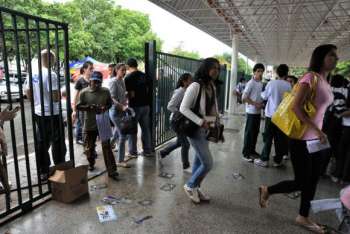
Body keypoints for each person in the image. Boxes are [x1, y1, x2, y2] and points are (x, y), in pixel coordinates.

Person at [258, 44, 337, 234]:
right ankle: (267, 190)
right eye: (331, 55)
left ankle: (303, 216)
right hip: (302, 137)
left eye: (336, 55)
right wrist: (316, 129)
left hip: (317, 139)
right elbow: (296, 107)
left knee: (313, 180)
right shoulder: (310, 78)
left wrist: (320, 132)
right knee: (302, 181)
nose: (336, 58)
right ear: (320, 57)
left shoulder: (326, 81)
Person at [180, 58, 220, 204]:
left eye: (218, 68)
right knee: (208, 163)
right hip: (194, 128)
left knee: (199, 160)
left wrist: (216, 122)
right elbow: (183, 108)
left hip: (207, 127)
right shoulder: (195, 85)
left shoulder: (211, 85)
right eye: (213, 67)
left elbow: (213, 107)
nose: (216, 70)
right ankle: (190, 185)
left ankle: (196, 187)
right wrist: (200, 121)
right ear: (205, 68)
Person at [25, 49, 67, 181]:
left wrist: (38, 102)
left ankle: (43, 170)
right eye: (54, 59)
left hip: (39, 112)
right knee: (58, 141)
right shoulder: (51, 74)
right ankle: (60, 166)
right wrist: (60, 95)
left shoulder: (32, 73)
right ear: (50, 59)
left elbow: (28, 93)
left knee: (41, 141)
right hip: (52, 112)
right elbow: (55, 97)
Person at [76, 71, 118, 180]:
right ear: (90, 81)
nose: (96, 84)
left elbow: (110, 103)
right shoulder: (84, 92)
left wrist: (105, 107)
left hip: (103, 122)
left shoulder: (105, 91)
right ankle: (91, 162)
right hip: (89, 124)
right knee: (88, 149)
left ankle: (112, 171)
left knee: (107, 147)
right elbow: (78, 106)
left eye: (98, 82)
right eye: (94, 81)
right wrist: (89, 107)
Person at [254, 64, 291, 167]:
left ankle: (264, 159)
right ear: (287, 73)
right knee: (279, 139)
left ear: (277, 73)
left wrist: (261, 93)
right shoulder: (288, 85)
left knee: (268, 137)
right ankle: (277, 161)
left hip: (271, 115)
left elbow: (264, 96)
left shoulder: (272, 83)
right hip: (282, 116)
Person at [159, 73, 193, 171]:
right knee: (185, 144)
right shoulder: (180, 91)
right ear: (184, 81)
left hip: (181, 121)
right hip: (176, 122)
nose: (192, 81)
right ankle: (185, 165)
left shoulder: (186, 91)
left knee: (179, 142)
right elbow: (170, 106)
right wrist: (181, 113)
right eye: (190, 80)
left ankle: (163, 152)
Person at [124, 58, 152, 158]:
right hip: (146, 105)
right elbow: (149, 90)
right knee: (145, 129)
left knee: (133, 130)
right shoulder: (145, 76)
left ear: (128, 66)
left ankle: (133, 152)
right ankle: (147, 150)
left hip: (135, 106)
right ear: (136, 65)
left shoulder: (128, 78)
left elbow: (131, 94)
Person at [322, 75, 349, 177]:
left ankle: (320, 169)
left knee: (324, 145)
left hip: (323, 122)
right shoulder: (339, 95)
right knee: (330, 147)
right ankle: (324, 170)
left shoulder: (326, 91)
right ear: (342, 83)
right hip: (333, 124)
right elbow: (340, 111)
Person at [241, 63, 265, 162]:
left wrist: (262, 103)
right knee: (249, 133)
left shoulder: (260, 83)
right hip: (251, 112)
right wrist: (255, 104)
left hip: (258, 113)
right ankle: (245, 154)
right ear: (254, 72)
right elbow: (244, 98)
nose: (260, 73)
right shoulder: (251, 83)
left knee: (255, 133)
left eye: (261, 71)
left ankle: (252, 151)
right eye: (258, 71)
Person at [108, 63, 129, 168]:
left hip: (122, 111)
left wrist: (126, 98)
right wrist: (121, 106)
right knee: (123, 135)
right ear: (116, 70)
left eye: (125, 70)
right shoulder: (113, 81)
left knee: (117, 131)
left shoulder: (122, 81)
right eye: (122, 70)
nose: (124, 72)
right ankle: (120, 160)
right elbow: (111, 98)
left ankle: (109, 144)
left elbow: (122, 95)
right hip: (115, 112)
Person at [331, 78, 350, 183]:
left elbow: (343, 111)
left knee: (342, 152)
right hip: (345, 127)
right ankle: (345, 177)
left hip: (347, 127)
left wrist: (339, 114)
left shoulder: (342, 93)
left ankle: (339, 174)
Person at [72, 61, 93, 145]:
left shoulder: (92, 80)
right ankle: (84, 142)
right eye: (90, 69)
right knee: (83, 125)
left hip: (91, 107)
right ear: (84, 69)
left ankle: (88, 142)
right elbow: (76, 96)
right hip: (82, 107)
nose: (92, 70)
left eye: (92, 68)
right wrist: (74, 110)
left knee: (89, 126)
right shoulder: (80, 81)